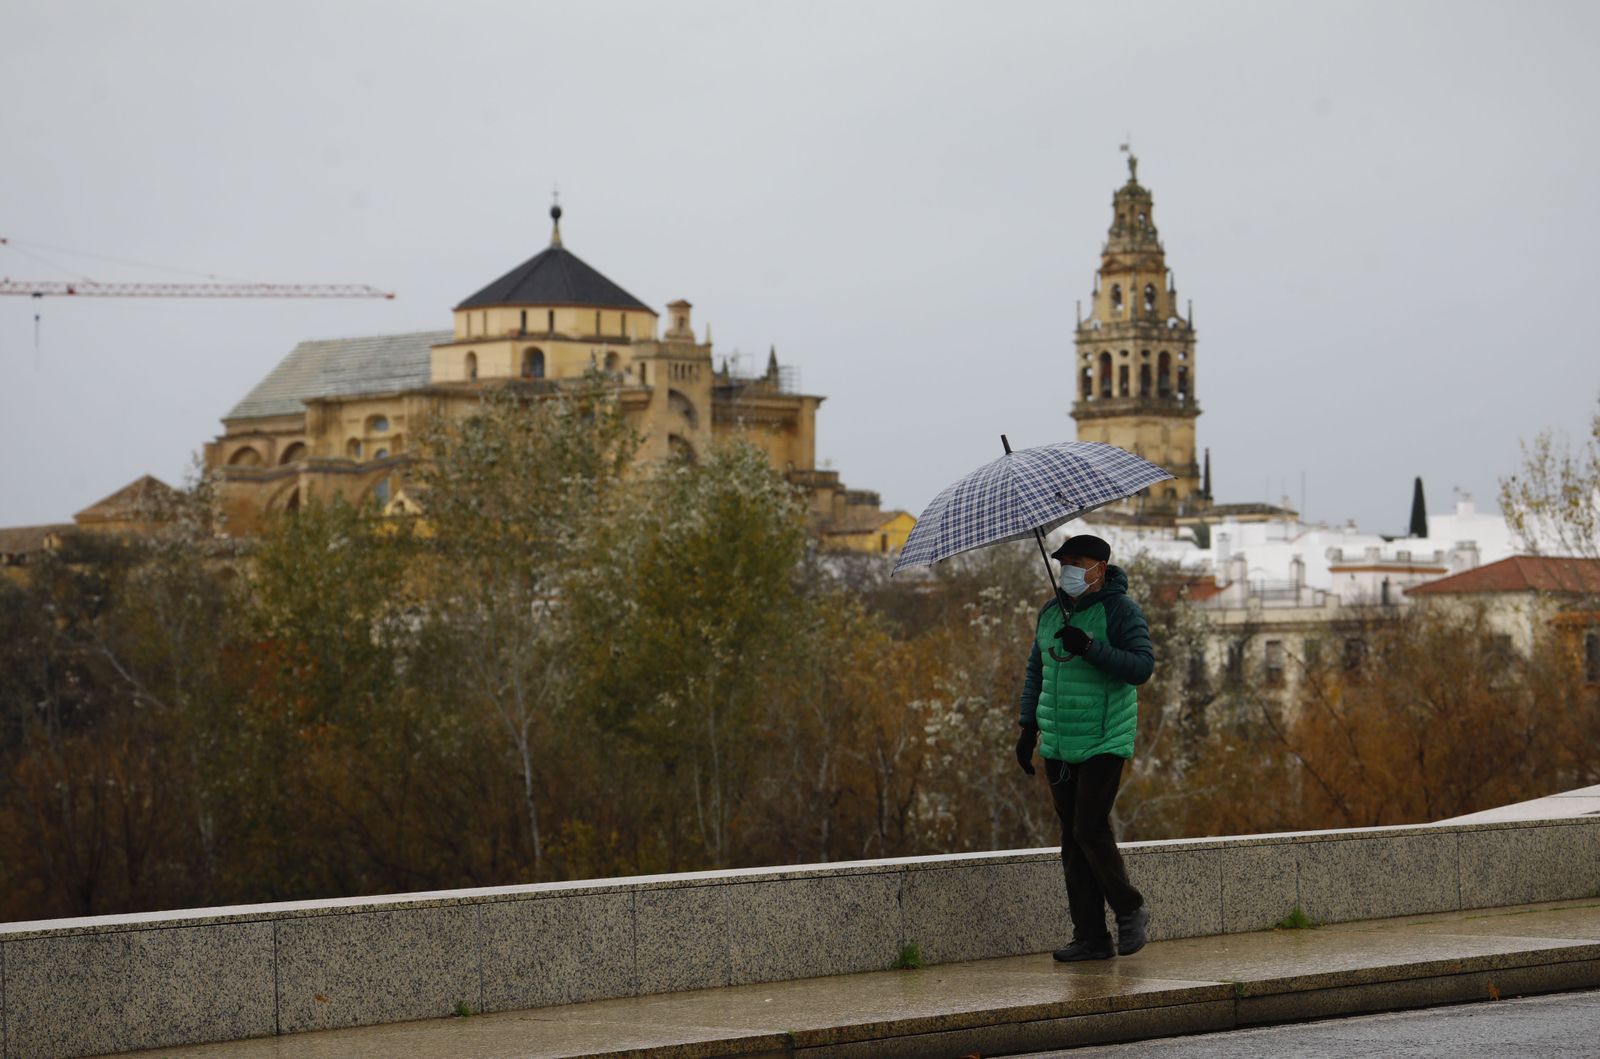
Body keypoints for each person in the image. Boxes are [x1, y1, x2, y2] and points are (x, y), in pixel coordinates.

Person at [1015, 533, 1154, 961]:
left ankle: (1130, 908)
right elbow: (1037, 669)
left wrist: (1091, 647)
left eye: (1076, 562)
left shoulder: (1120, 610)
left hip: (1104, 737)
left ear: (1098, 567)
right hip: (1059, 741)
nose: (1067, 569)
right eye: (1063, 562)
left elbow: (1141, 668)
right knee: (1072, 840)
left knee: (1090, 826)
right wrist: (1027, 728)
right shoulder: (1051, 612)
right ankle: (1091, 937)